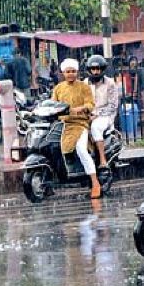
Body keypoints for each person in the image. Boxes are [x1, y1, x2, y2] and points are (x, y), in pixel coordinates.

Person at [51, 58, 101, 199]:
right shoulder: (58, 88)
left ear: (77, 72)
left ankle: (95, 182)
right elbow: (52, 104)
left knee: (81, 149)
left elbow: (90, 104)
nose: (70, 74)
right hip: (63, 125)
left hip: (80, 124)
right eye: (68, 72)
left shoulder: (84, 87)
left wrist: (80, 109)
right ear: (63, 73)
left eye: (73, 71)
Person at [84, 55, 118, 182]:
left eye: (98, 69)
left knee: (95, 126)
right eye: (93, 69)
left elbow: (113, 106)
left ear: (102, 69)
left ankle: (103, 160)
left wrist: (96, 114)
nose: (95, 71)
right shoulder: (84, 83)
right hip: (87, 115)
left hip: (105, 116)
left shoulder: (110, 83)